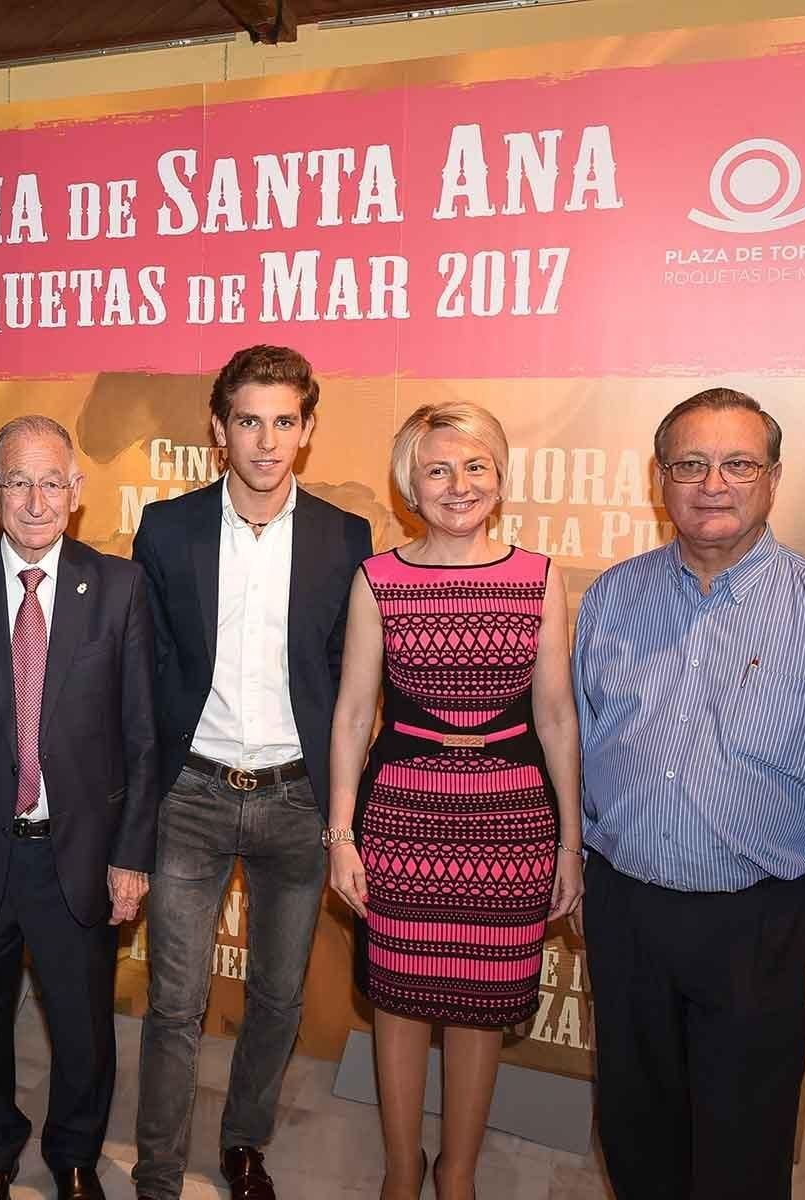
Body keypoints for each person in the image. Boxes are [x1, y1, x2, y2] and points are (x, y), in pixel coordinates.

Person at [573, 387, 805, 1200]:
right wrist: (583, 867)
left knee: (743, 1138)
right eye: (691, 464)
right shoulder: (612, 600)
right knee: (634, 1119)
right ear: (659, 477)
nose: (713, 483)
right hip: (626, 908)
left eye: (738, 463)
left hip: (761, 923)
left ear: (773, 477)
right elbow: (584, 747)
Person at [0, 416, 158, 1200]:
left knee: (82, 1026)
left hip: (76, 854)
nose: (35, 500)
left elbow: (143, 739)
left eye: (51, 482)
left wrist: (132, 854)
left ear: (77, 493)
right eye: (18, 480)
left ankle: (75, 1154)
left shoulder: (119, 588)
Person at [131, 345, 373, 1200]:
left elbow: (352, 686)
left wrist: (344, 815)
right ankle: (157, 1170)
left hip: (297, 801)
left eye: (283, 421)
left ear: (306, 431)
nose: (266, 441)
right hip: (191, 795)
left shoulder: (349, 539)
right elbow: (147, 670)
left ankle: (243, 1146)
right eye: (247, 420)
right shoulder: (168, 529)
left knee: (276, 997)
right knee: (174, 1001)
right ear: (217, 429)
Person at [326, 401, 582, 1200]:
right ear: (410, 482)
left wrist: (570, 845)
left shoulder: (538, 578)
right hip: (402, 815)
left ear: (500, 477)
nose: (457, 484)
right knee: (400, 1002)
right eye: (437, 468)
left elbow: (556, 718)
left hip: (512, 822)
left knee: (480, 1006)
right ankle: (403, 1171)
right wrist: (341, 834)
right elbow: (352, 715)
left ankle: (458, 1173)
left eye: (474, 466)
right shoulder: (379, 578)